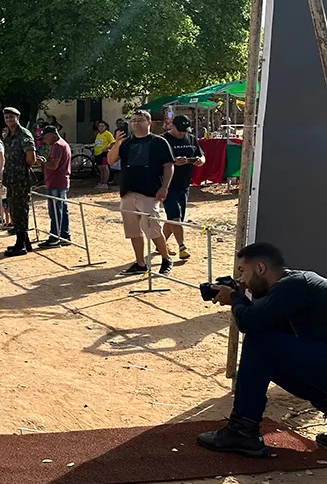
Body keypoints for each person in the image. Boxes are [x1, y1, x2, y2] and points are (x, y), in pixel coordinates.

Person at [198, 243, 327, 457]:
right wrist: (240, 295)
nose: (242, 280)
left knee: (259, 341)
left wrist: (236, 299)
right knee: (267, 351)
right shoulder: (296, 284)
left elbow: (250, 325)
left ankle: (242, 431)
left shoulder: (294, 284)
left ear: (260, 268)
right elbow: (261, 320)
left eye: (243, 271)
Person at [107, 109, 176, 275]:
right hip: (128, 191)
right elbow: (111, 160)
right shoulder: (126, 143)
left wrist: (164, 186)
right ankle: (140, 263)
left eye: (140, 120)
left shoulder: (159, 142)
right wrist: (117, 143)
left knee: (153, 229)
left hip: (149, 192)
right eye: (133, 121)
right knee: (133, 231)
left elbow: (169, 165)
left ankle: (166, 258)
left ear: (149, 122)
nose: (136, 124)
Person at [162, 115, 206, 262]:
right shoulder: (163, 140)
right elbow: (156, 161)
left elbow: (201, 155)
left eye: (185, 130)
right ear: (171, 126)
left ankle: (160, 243)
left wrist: (199, 161)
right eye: (180, 130)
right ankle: (182, 246)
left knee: (174, 218)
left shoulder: (192, 139)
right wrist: (173, 162)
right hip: (167, 184)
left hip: (184, 184)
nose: (183, 134)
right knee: (176, 216)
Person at [2, 107, 37, 256]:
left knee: (21, 210)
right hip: (11, 179)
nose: (9, 119)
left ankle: (21, 244)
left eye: (11, 117)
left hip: (20, 179)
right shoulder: (9, 135)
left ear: (18, 117)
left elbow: (31, 158)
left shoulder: (24, 134)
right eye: (6, 117)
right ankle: (24, 242)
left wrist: (22, 169)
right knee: (15, 210)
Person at [36, 126, 72, 248]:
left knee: (55, 211)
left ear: (52, 134)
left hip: (56, 182)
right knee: (62, 209)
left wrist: (42, 163)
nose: (45, 141)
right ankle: (64, 235)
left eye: (45, 138)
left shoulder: (57, 145)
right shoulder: (63, 144)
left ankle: (55, 237)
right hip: (60, 181)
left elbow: (54, 165)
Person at [93, 121, 115, 189]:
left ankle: (105, 183)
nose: (101, 128)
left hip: (104, 154)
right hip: (98, 153)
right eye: (99, 126)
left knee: (105, 168)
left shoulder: (107, 134)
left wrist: (107, 148)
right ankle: (101, 182)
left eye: (102, 126)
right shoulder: (98, 135)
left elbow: (113, 143)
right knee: (100, 168)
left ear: (105, 127)